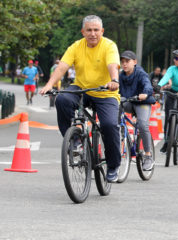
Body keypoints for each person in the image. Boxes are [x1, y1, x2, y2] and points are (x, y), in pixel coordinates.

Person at [40, 15, 121, 183]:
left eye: (96, 30)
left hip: (105, 93)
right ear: (83, 32)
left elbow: (112, 65)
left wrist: (114, 80)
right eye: (89, 30)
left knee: (108, 125)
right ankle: (74, 140)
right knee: (62, 99)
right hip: (82, 88)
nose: (92, 34)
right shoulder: (76, 46)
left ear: (102, 31)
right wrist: (49, 84)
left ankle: (113, 166)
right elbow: (63, 66)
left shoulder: (109, 46)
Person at [119, 50, 156, 171]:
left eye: (127, 61)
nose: (124, 64)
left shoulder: (140, 73)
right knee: (112, 111)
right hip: (128, 102)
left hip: (142, 102)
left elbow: (148, 85)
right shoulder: (120, 75)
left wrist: (145, 94)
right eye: (122, 61)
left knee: (143, 125)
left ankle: (148, 155)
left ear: (134, 62)